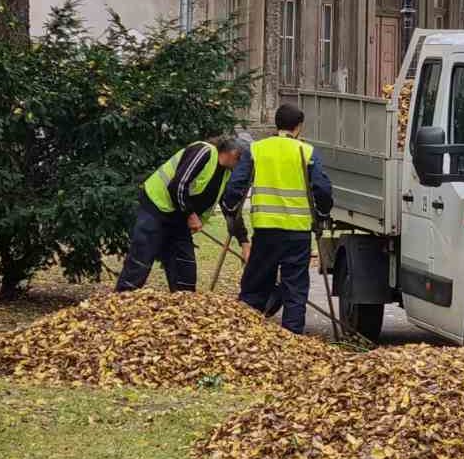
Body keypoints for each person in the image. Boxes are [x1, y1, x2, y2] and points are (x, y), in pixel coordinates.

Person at [238, 103, 333, 334]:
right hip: (297, 232)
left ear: (276, 123)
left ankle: (247, 334)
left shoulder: (257, 149)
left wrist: (231, 209)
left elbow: (237, 184)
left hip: (266, 230)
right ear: (298, 127)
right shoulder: (306, 152)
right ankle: (292, 339)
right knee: (295, 288)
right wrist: (322, 215)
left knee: (257, 282)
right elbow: (322, 188)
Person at [116, 136, 246, 293]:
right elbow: (177, 185)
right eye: (241, 160)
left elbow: (229, 208)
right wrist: (191, 215)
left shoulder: (225, 174)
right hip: (156, 208)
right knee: (140, 262)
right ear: (233, 153)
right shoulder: (204, 151)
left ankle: (183, 309)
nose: (240, 166)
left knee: (185, 270)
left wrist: (244, 242)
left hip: (179, 219)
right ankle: (121, 301)